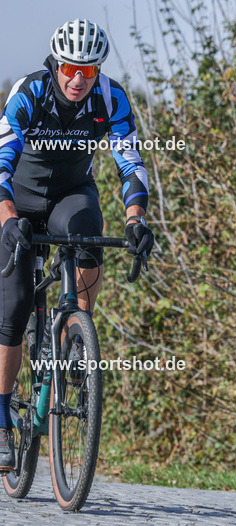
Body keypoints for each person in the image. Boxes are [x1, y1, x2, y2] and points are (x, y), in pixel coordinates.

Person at [0, 19, 154, 471]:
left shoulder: (111, 97)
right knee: (13, 308)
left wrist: (136, 222)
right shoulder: (29, 93)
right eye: (70, 68)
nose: (77, 79)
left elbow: (131, 163)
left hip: (71, 194)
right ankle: (1, 417)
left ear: (97, 71)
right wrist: (9, 222)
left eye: (87, 71)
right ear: (56, 64)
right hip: (20, 201)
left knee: (89, 231)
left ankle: (73, 335)